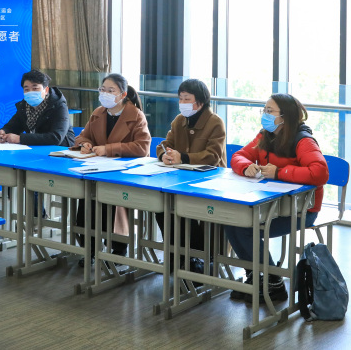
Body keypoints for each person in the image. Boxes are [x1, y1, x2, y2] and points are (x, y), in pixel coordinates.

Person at [224, 93, 328, 304]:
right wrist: (246, 167)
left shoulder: (303, 141)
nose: (265, 115)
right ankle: (255, 276)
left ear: (285, 116)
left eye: (270, 111)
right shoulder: (265, 136)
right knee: (232, 222)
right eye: (264, 110)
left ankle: (274, 282)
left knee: (247, 228)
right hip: (271, 206)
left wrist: (280, 172)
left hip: (301, 211)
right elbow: (238, 156)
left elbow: (320, 172)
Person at [73, 73, 150, 260]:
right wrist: (85, 144)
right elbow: (83, 136)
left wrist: (109, 149)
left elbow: (142, 147)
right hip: (96, 170)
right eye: (103, 90)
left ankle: (118, 248)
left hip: (124, 174)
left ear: (123, 95)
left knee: (113, 201)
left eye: (110, 90)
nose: (105, 94)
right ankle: (89, 248)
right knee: (87, 198)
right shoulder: (98, 113)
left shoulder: (136, 115)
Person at [155, 79, 226, 272]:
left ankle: (198, 255)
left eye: (187, 99)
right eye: (180, 98)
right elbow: (164, 144)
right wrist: (164, 155)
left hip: (209, 180)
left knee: (188, 208)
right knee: (162, 207)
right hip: (180, 178)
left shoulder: (215, 122)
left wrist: (183, 157)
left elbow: (213, 156)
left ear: (200, 102)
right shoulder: (179, 120)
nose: (182, 103)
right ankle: (176, 253)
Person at [0, 69, 73, 146]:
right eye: (26, 89)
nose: (30, 92)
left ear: (46, 90)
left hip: (61, 149)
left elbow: (56, 137)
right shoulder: (24, 106)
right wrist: (2, 132)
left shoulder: (58, 105)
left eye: (35, 88)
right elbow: (13, 126)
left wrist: (20, 139)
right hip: (36, 148)